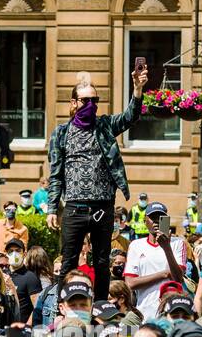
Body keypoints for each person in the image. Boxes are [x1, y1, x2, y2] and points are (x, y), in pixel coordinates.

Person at [44, 64, 149, 296]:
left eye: (95, 101)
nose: (91, 105)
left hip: (103, 206)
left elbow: (130, 117)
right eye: (85, 101)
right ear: (73, 103)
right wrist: (52, 208)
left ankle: (100, 305)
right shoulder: (61, 133)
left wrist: (138, 89)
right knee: (69, 260)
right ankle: (65, 304)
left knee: (102, 262)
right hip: (74, 207)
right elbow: (56, 174)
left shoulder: (104, 125)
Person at [123, 201, 188, 319]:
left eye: (160, 217)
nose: (156, 221)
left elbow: (178, 278)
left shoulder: (178, 243)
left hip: (171, 312)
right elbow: (130, 283)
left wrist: (166, 247)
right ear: (145, 221)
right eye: (153, 218)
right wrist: (163, 274)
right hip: (144, 312)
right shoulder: (136, 245)